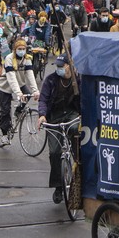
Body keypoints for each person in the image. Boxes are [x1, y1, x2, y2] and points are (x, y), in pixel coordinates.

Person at [37, 55, 81, 204]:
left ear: (69, 66)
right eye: (58, 66)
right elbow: (43, 99)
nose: (59, 69)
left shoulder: (77, 80)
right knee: (55, 152)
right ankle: (58, 187)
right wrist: (42, 115)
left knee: (76, 131)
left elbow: (84, 99)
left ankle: (78, 168)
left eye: (61, 66)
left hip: (71, 114)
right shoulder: (50, 80)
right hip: (54, 116)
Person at [0, 38, 40, 139]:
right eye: (19, 49)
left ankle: (18, 112)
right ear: (15, 49)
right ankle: (5, 134)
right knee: (5, 111)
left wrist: (35, 90)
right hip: (5, 86)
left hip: (20, 83)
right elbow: (11, 78)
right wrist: (19, 93)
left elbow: (30, 75)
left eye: (23, 49)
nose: (22, 51)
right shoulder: (9, 58)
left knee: (27, 95)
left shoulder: (27, 59)